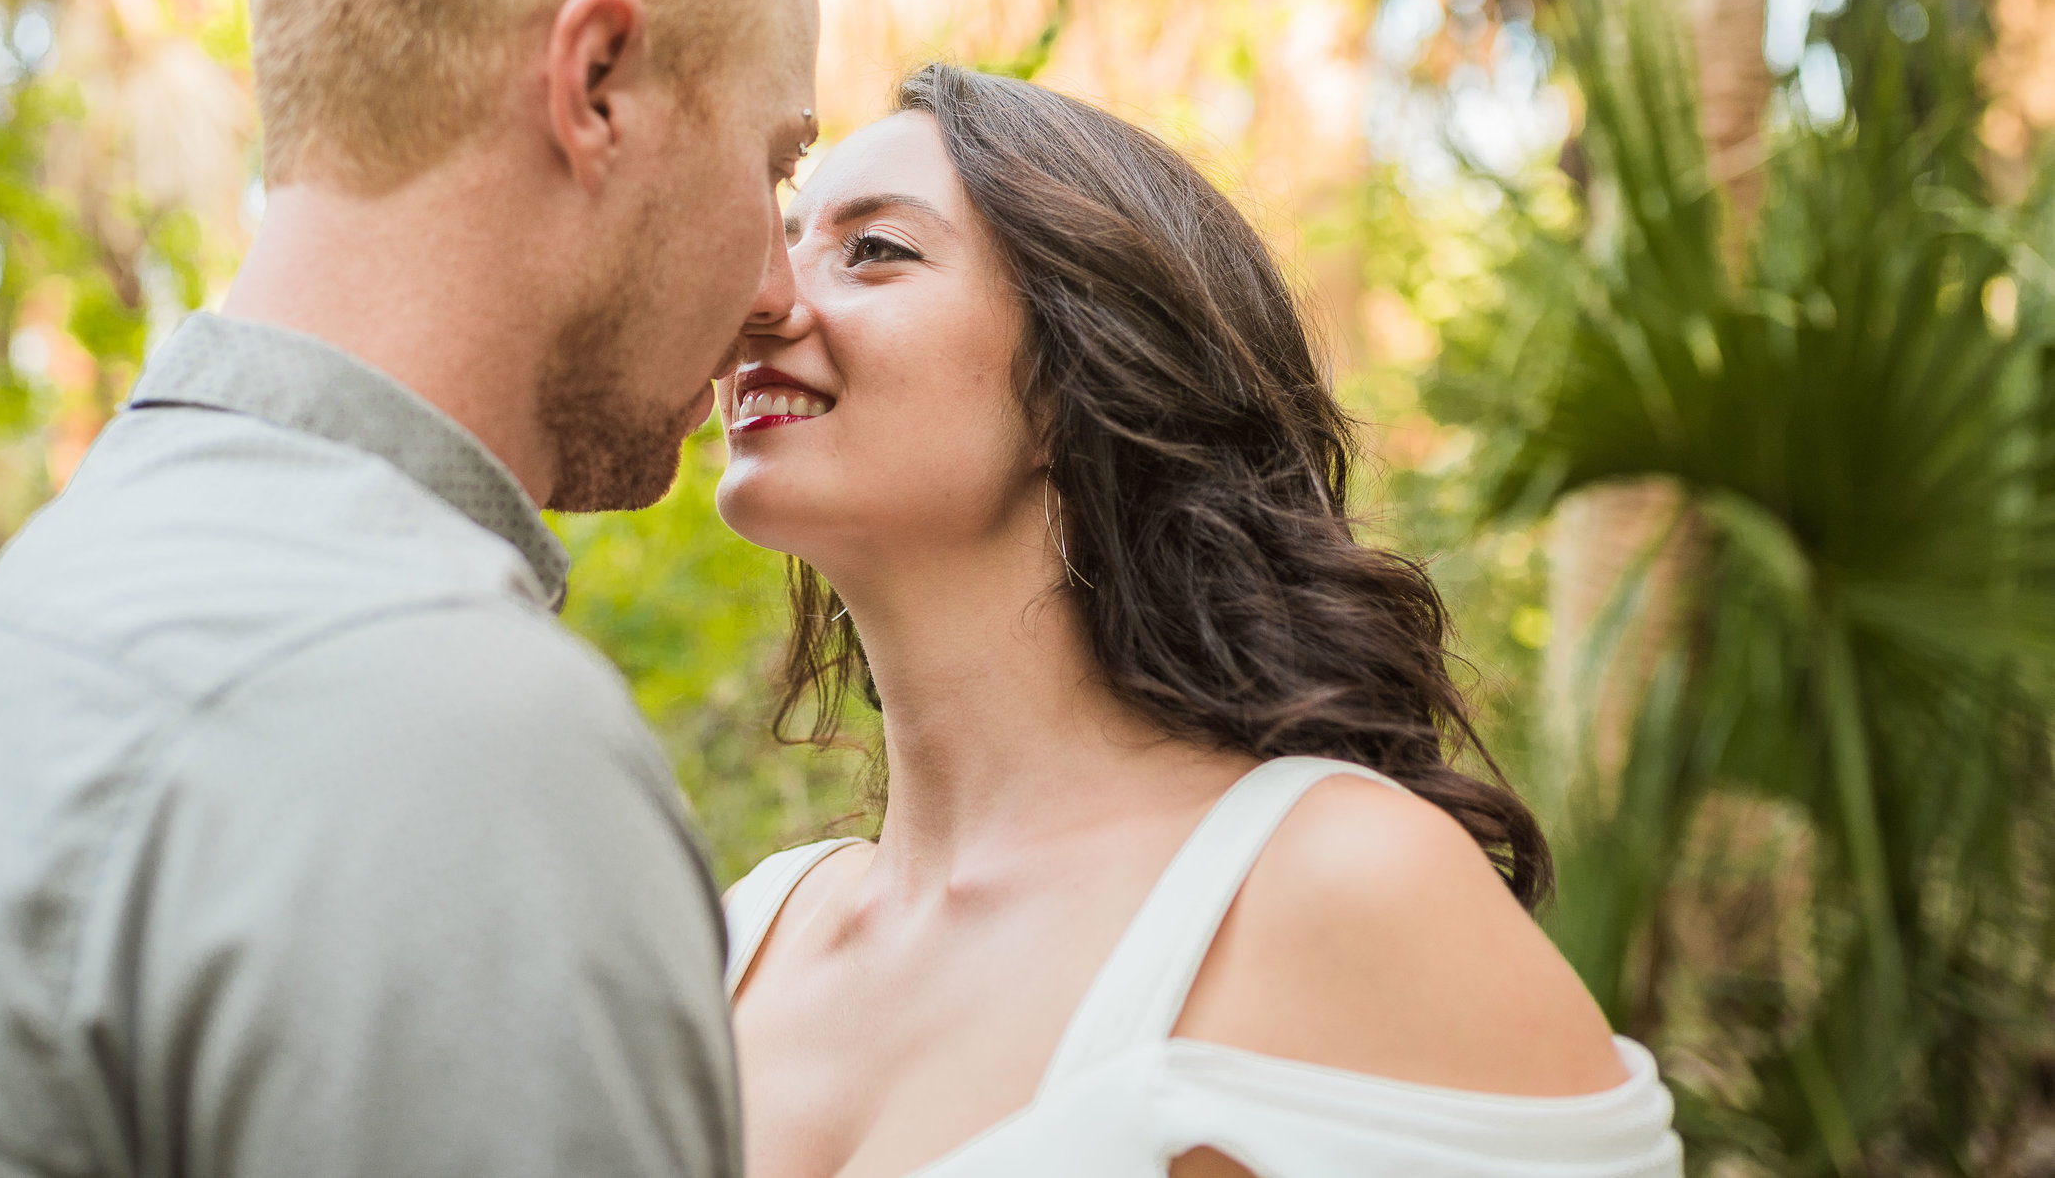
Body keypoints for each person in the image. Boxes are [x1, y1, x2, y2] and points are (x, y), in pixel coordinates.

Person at [0, 0, 820, 1178]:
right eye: (775, 163)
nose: (781, 283)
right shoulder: (447, 729)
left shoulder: (73, 580)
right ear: (599, 86)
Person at [714, 65, 1681, 1178]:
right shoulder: (747, 932)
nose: (758, 298)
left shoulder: (1335, 882)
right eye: (783, 239)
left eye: (875, 249)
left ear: (1083, 372)